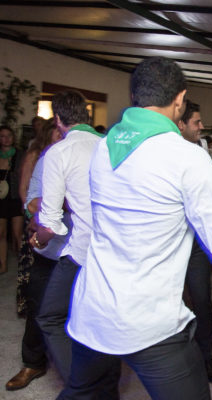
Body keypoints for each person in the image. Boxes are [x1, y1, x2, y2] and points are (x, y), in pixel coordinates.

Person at [61, 57, 212, 400]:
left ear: (134, 95)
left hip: (93, 310)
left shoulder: (105, 147)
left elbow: (148, 211)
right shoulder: (187, 157)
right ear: (180, 99)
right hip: (150, 321)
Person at [30, 90, 102, 383]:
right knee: (94, 318)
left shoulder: (58, 153)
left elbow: (50, 221)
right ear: (85, 116)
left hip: (82, 248)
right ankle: (99, 380)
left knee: (50, 317)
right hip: (112, 249)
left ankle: (80, 384)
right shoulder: (107, 145)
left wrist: (40, 240)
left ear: (58, 120)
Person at [5, 122, 66, 391]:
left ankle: (74, 368)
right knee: (37, 305)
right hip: (45, 246)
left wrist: (56, 201)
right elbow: (30, 201)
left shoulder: (87, 158)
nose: (63, 137)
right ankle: (33, 362)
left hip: (78, 248)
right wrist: (61, 201)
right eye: (59, 132)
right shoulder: (44, 159)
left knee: (75, 310)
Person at [176, 99, 212, 383]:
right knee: (170, 300)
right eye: (196, 122)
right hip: (169, 242)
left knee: (202, 300)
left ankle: (206, 359)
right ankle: (174, 358)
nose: (202, 127)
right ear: (180, 124)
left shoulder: (202, 149)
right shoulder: (163, 152)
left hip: (196, 241)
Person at [0, 125, 24, 274]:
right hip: (1, 199)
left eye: (9, 135)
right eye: (2, 136)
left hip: (15, 198)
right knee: (1, 234)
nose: (6, 139)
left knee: (17, 235)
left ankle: (22, 264)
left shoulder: (20, 155)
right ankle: (3, 265)